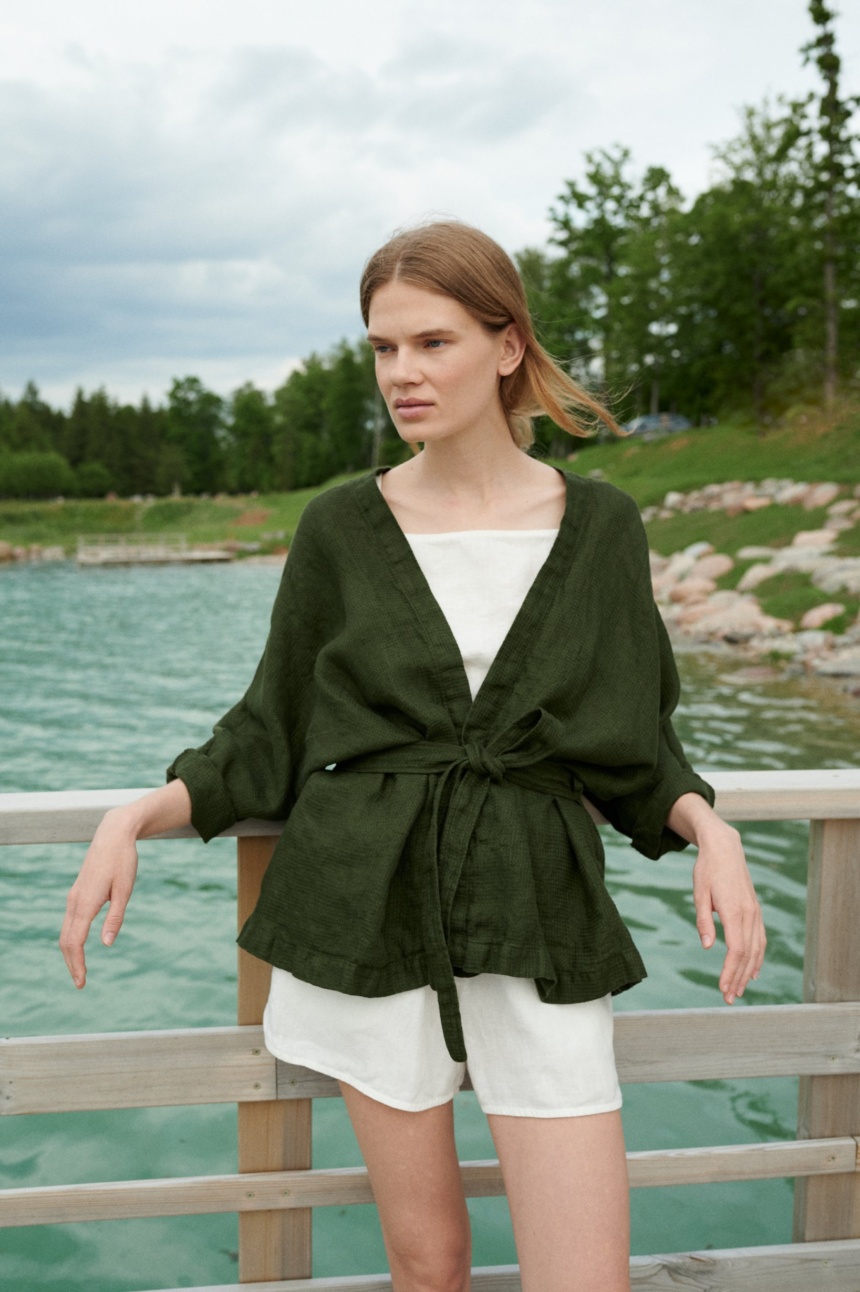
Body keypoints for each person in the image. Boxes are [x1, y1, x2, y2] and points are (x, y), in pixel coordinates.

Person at [60, 220, 766, 1292]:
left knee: (584, 1274)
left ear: (505, 344)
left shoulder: (603, 524)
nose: (402, 373)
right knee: (426, 1261)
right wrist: (132, 816)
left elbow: (632, 742)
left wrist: (704, 823)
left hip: (540, 903)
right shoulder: (340, 527)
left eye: (430, 342)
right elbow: (272, 729)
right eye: (382, 348)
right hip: (367, 904)